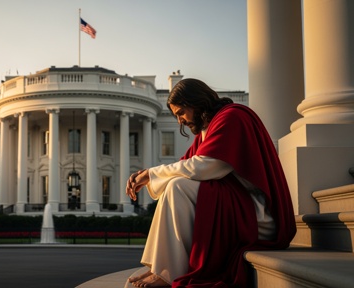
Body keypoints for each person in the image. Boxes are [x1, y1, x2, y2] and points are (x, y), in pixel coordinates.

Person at [126, 78, 296, 287]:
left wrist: (150, 174)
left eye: (180, 113)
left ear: (195, 102)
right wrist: (151, 175)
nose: (179, 121)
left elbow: (206, 166)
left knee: (177, 187)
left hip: (257, 215)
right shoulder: (208, 128)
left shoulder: (233, 117)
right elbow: (185, 167)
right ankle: (159, 268)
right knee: (175, 184)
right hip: (236, 206)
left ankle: (168, 273)